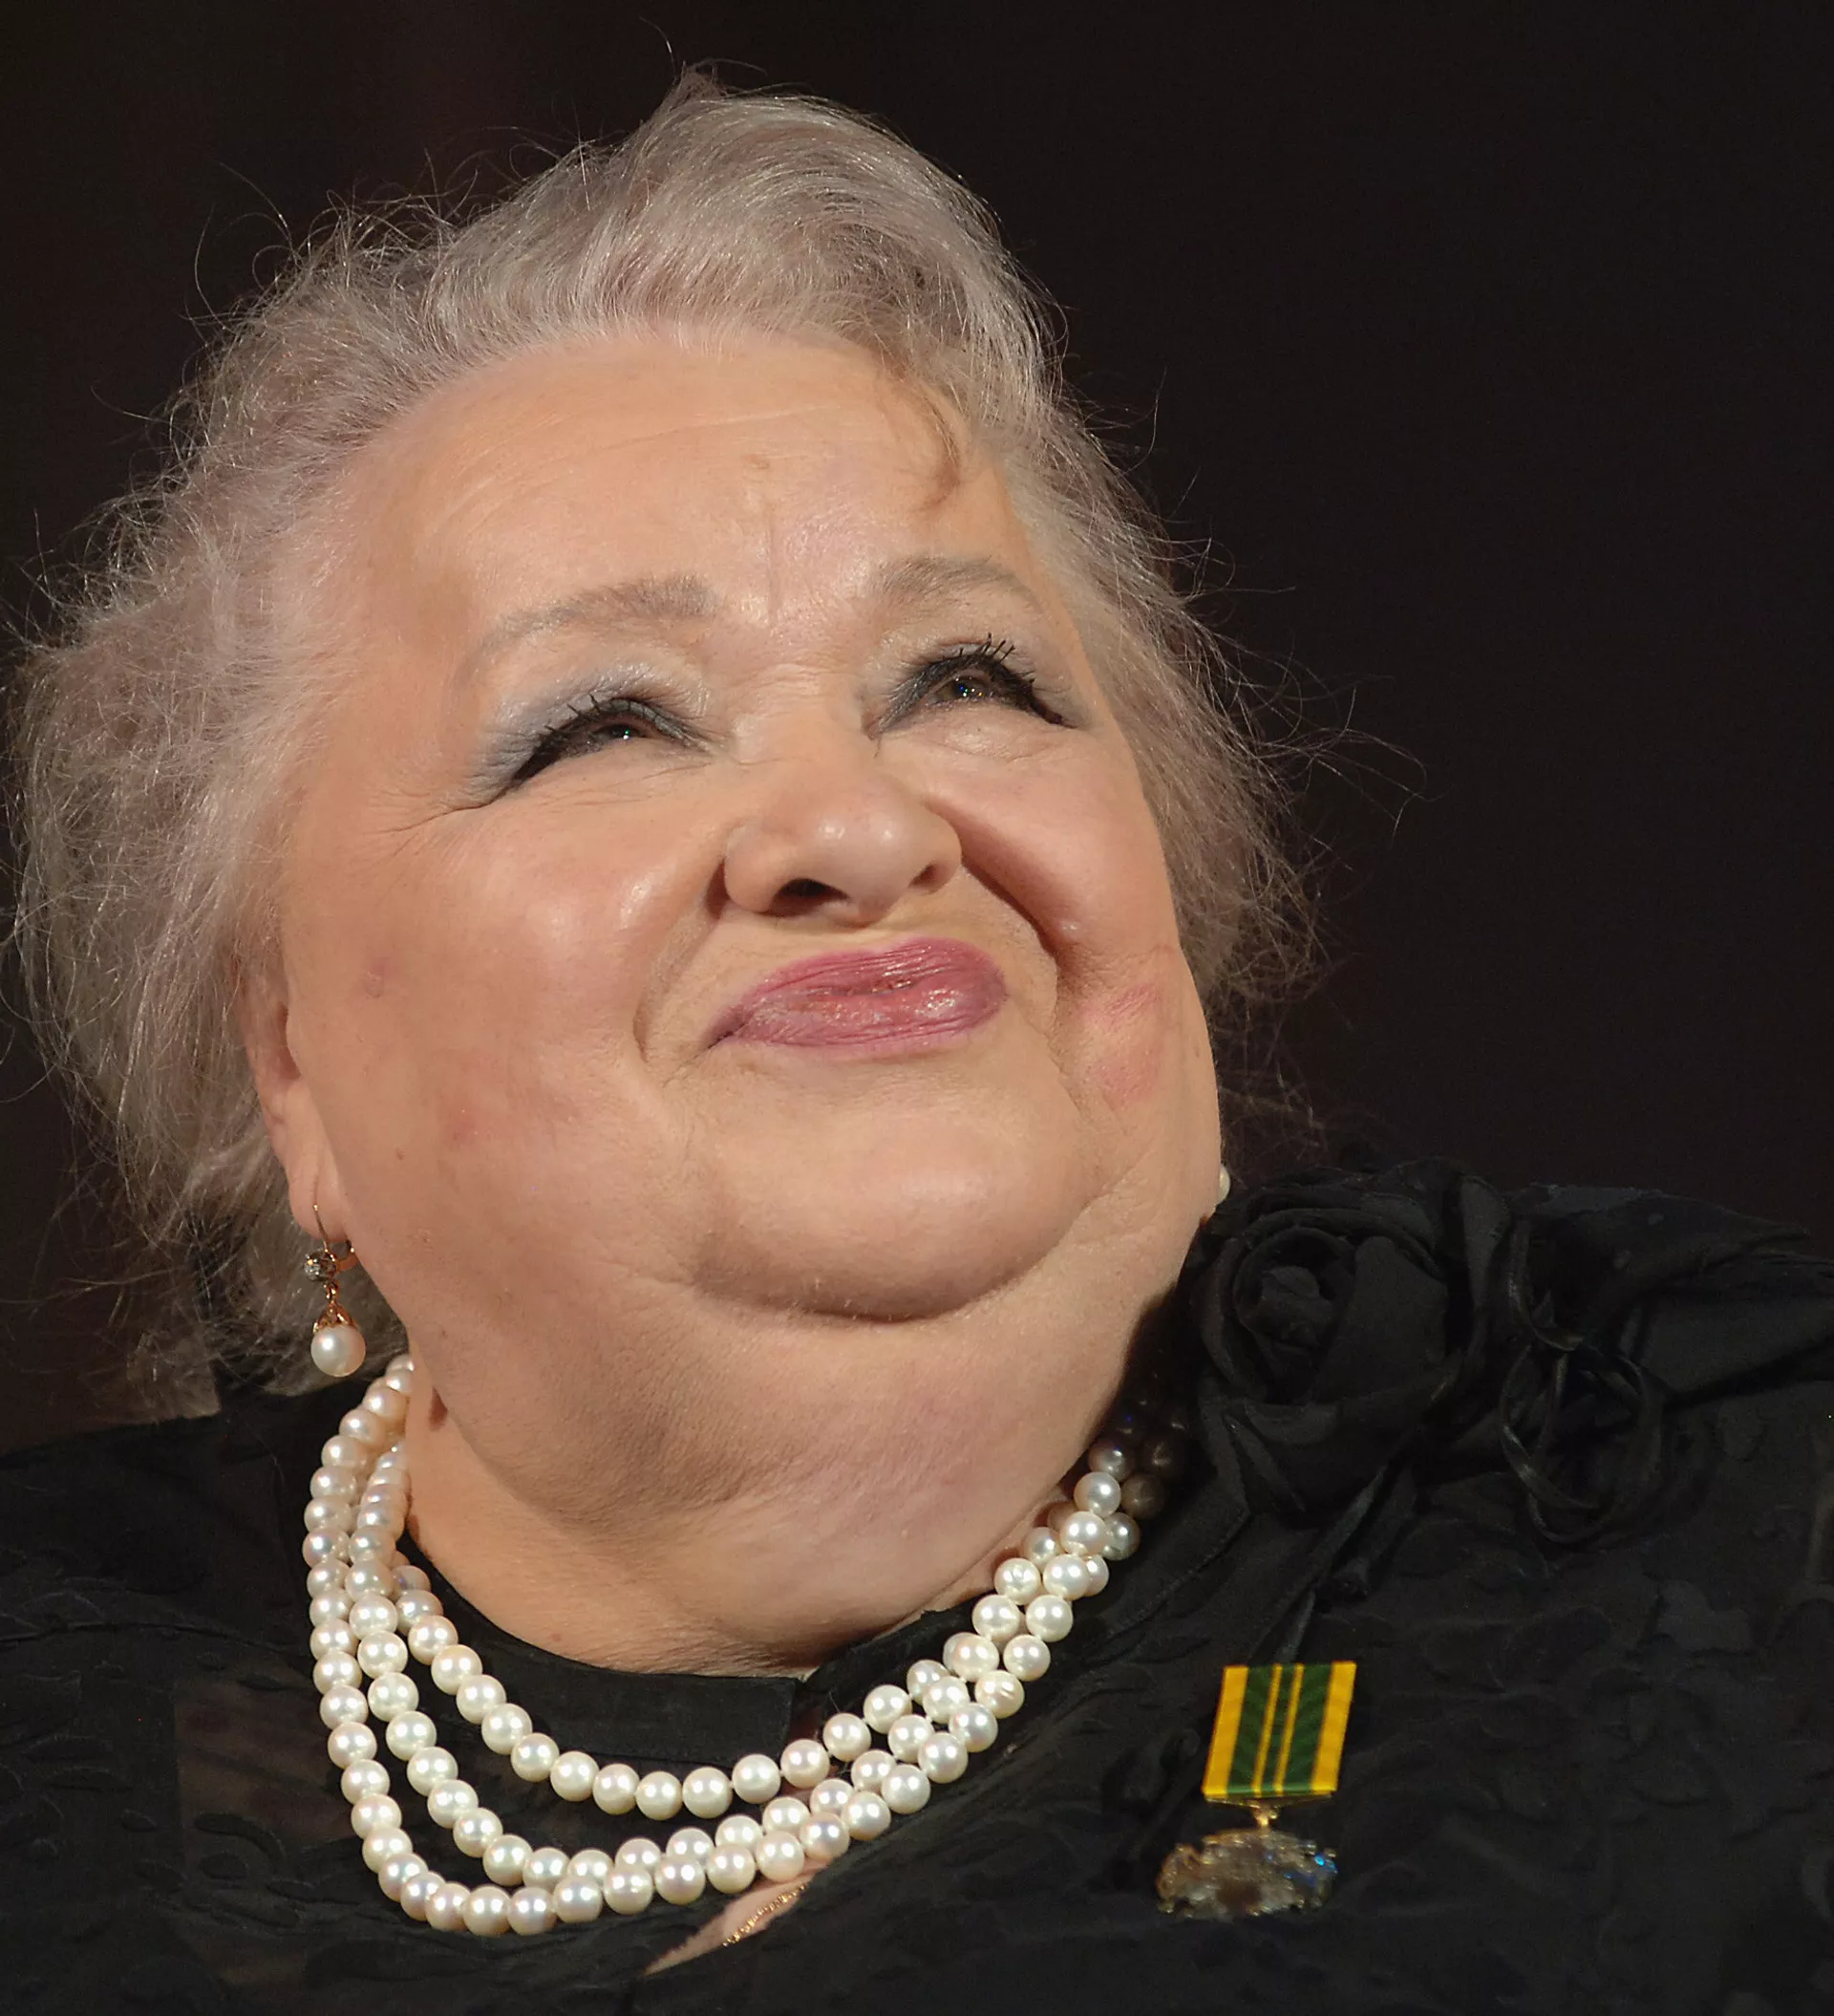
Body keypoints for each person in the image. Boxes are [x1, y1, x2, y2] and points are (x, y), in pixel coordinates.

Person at [3, 76, 1831, 2015]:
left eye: (970, 677)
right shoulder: (73, 1694)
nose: (862, 827)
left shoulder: (1706, 1496)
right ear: (291, 1064)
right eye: (606, 724)